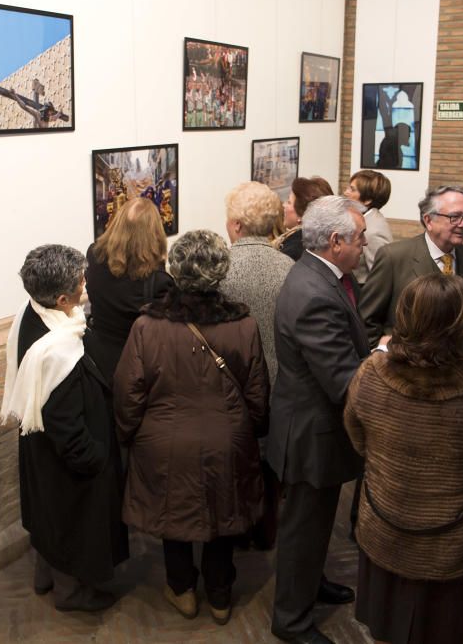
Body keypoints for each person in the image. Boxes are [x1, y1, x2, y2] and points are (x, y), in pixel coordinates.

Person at [344, 273, 463, 644]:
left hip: (382, 524)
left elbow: (356, 437)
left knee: (383, 625)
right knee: (434, 630)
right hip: (443, 543)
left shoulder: (369, 374)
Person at [114, 230, 269, 625]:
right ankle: (220, 595)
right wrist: (252, 430)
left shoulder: (147, 326)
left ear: (175, 269)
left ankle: (182, 590)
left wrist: (127, 434)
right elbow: (257, 389)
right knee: (224, 518)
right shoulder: (244, 324)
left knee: (174, 517)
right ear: (220, 272)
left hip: (163, 440)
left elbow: (129, 391)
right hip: (226, 437)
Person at [0, 244, 128, 612]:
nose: (86, 286)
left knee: (50, 520)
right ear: (60, 298)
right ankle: (72, 594)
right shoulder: (55, 351)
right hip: (67, 460)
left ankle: (46, 576)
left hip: (42, 451)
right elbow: (66, 424)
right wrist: (96, 459)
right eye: (80, 282)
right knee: (70, 523)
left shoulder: (32, 312)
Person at [268, 196, 368, 644]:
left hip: (311, 426)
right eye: (360, 237)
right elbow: (343, 379)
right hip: (311, 434)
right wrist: (383, 359)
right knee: (301, 532)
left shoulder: (319, 275)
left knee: (314, 527)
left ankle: (312, 586)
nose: (364, 244)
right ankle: (291, 621)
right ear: (335, 242)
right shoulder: (314, 294)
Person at [220, 181, 294, 549]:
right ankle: (266, 533)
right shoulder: (291, 268)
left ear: (236, 226)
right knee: (270, 470)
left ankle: (235, 532)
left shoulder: (221, 271)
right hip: (280, 387)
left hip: (229, 387)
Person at [360, 185, 463, 348]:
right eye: (455, 217)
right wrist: (381, 356)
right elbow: (367, 317)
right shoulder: (394, 257)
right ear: (429, 220)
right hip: (403, 363)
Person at [85, 197, 173, 391]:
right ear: (154, 233)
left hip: (98, 356)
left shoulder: (94, 255)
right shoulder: (158, 281)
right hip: (136, 365)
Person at [344, 170, 394, 287]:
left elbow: (381, 279)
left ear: (367, 200)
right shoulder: (363, 217)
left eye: (352, 189)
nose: (345, 192)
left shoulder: (373, 231)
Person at [274, 176, 335, 261]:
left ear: (302, 214)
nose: (284, 205)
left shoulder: (293, 250)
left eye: (289, 202)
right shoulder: (326, 242)